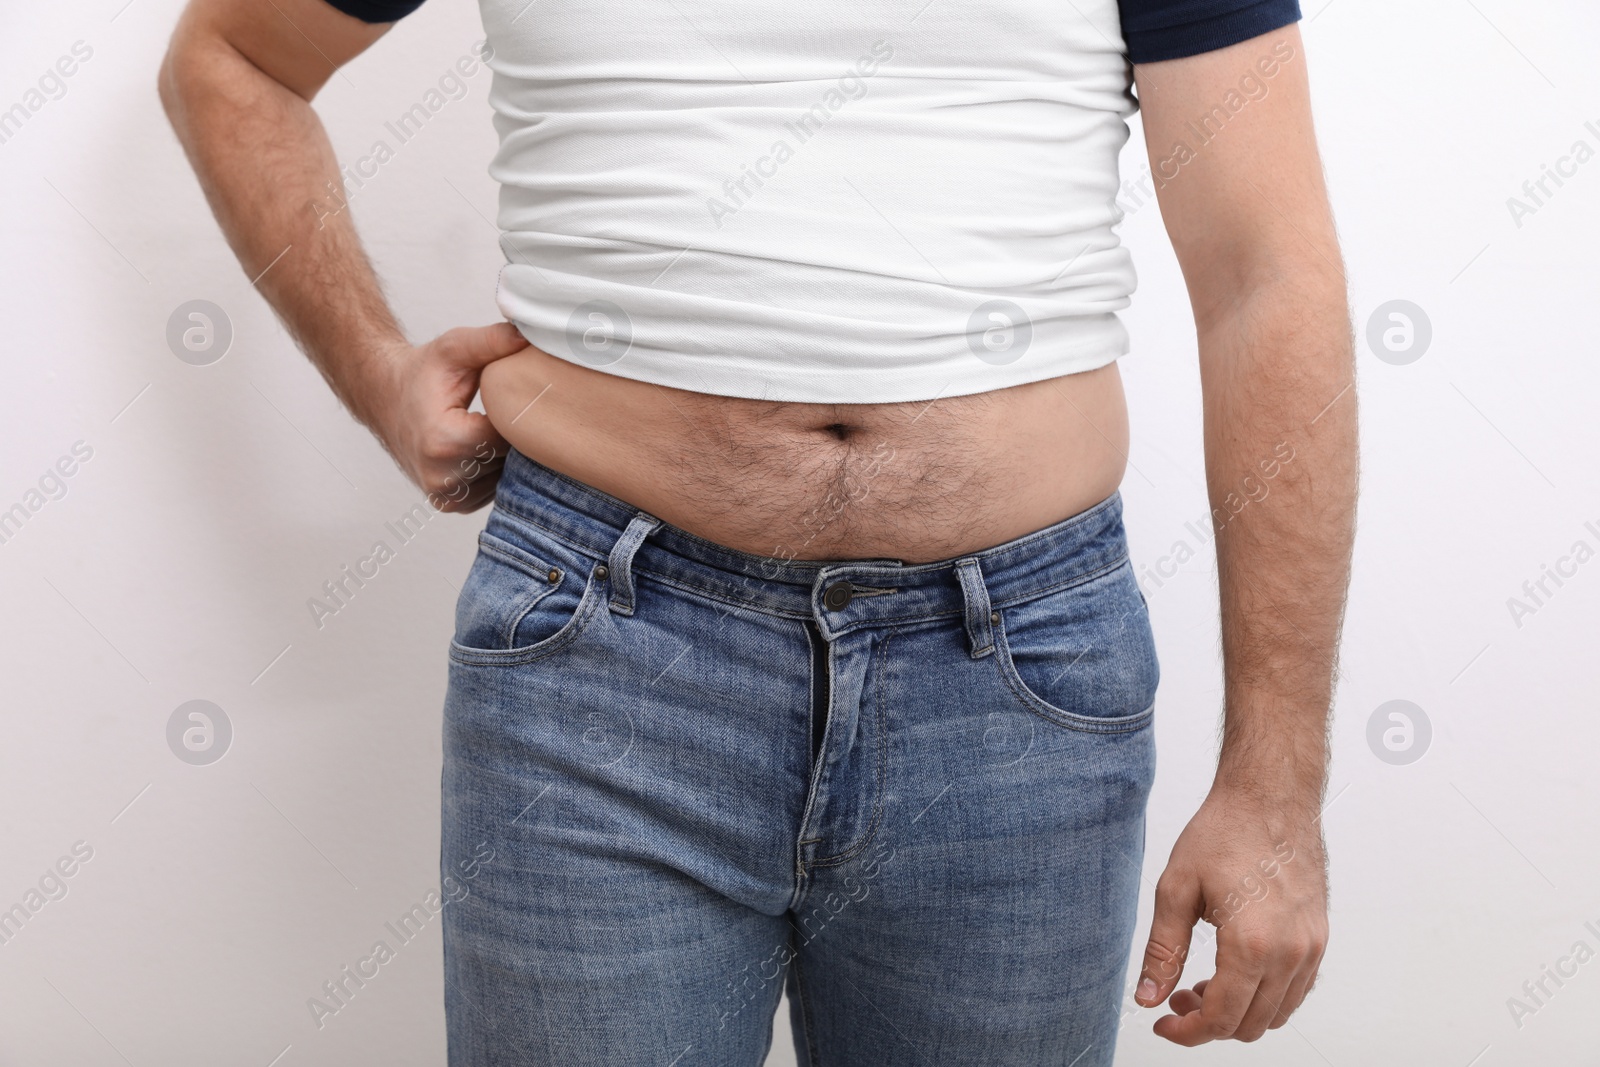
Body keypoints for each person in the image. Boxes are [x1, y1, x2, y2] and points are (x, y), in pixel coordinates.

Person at [158, 0, 1356, 1061]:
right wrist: (377, 373)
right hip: (600, 662)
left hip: (1014, 685)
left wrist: (1273, 787)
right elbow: (232, 57)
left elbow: (1266, 276)